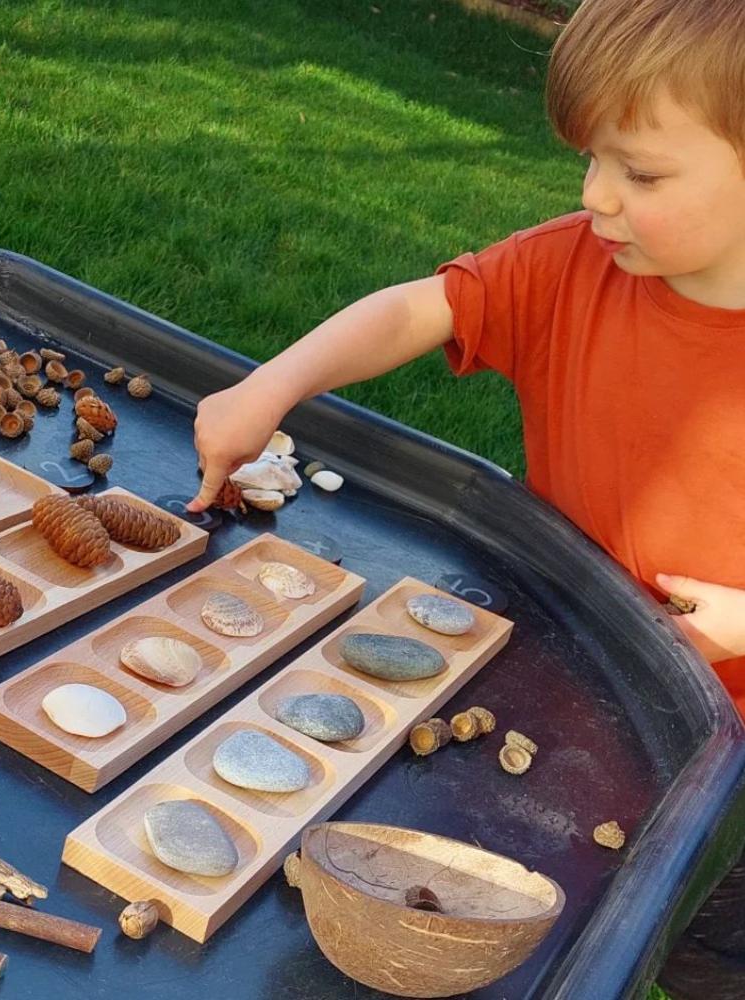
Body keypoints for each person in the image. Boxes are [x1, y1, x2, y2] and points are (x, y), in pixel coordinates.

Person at [186, 1, 745, 995]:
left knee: (684, 948)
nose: (596, 197)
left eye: (640, 172)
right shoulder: (575, 263)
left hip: (718, 767)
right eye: (589, 160)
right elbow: (420, 304)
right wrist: (270, 384)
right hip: (559, 680)